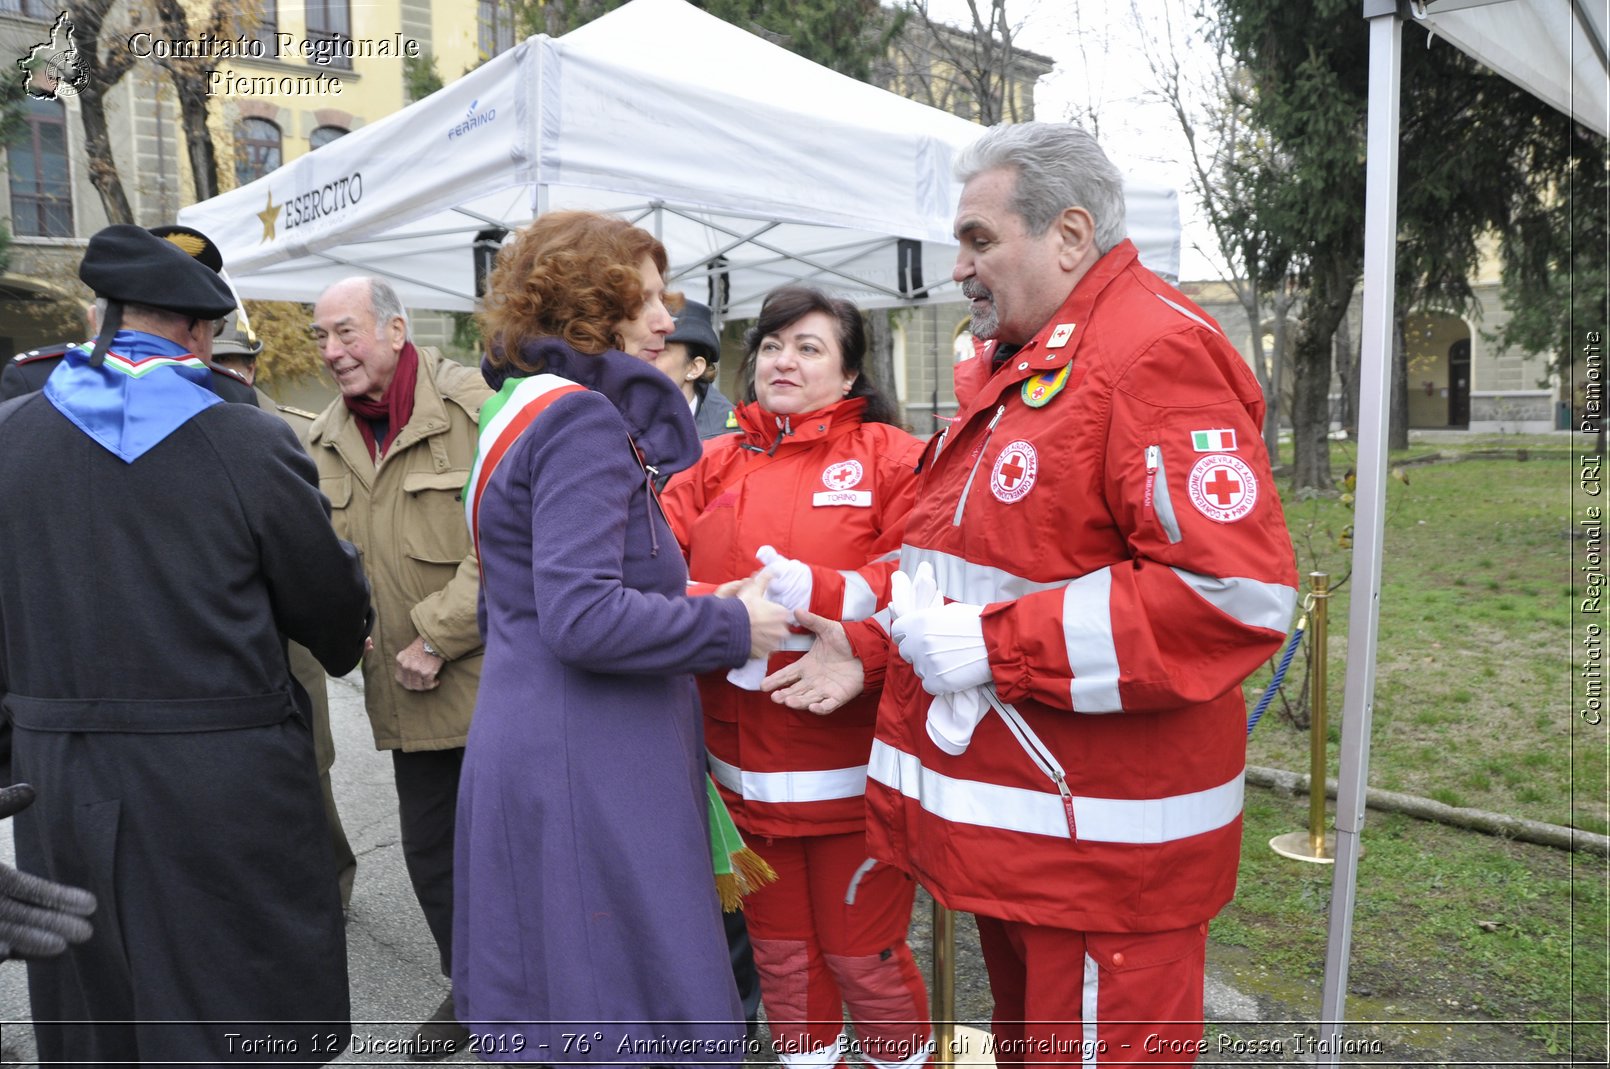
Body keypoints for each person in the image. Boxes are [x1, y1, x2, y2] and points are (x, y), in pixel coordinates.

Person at [765, 122, 1299, 1064]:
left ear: (1070, 233)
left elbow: (1232, 594)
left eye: (978, 240)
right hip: (1036, 839)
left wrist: (1004, 644)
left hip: (1103, 861)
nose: (959, 268)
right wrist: (865, 631)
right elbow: (961, 562)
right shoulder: (1031, 364)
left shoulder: (1148, 354)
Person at [0, 224, 372, 1064]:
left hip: (58, 782)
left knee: (97, 1017)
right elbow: (332, 619)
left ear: (105, 316)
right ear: (202, 333)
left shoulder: (12, 436)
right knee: (238, 1010)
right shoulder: (249, 440)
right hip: (218, 787)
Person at [452, 210, 790, 1063]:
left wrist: (701, 593)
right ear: (589, 311)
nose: (667, 320)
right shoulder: (581, 420)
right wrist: (731, 623)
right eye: (643, 300)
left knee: (559, 995)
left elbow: (529, 600)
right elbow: (583, 616)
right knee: (622, 1009)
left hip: (536, 740)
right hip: (591, 762)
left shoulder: (516, 408)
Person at [659, 286, 931, 1069]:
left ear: (850, 376)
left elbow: (920, 574)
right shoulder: (708, 465)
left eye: (810, 347)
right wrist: (728, 609)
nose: (784, 359)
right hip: (740, 782)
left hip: (855, 784)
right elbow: (643, 575)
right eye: (773, 345)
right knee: (782, 964)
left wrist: (830, 607)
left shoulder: (892, 458)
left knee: (863, 960)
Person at [306, 276, 491, 1055]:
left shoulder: (474, 408)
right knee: (434, 857)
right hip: (408, 700)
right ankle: (474, 993)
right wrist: (344, 629)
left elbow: (511, 545)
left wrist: (435, 636)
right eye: (319, 337)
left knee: (520, 851)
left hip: (494, 686)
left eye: (345, 333)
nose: (330, 351)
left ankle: (549, 993)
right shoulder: (321, 438)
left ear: (395, 329)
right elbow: (328, 562)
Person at [213, 315, 360, 911]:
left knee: (309, 768)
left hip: (289, 635)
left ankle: (332, 884)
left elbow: (331, 542)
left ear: (250, 366)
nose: (222, 372)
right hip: (223, 637)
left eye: (232, 361)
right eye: (213, 360)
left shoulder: (291, 433)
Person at [651, 298, 738, 438]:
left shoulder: (730, 437)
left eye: (659, 350)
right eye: (646, 349)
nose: (644, 360)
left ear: (694, 368)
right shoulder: (621, 418)